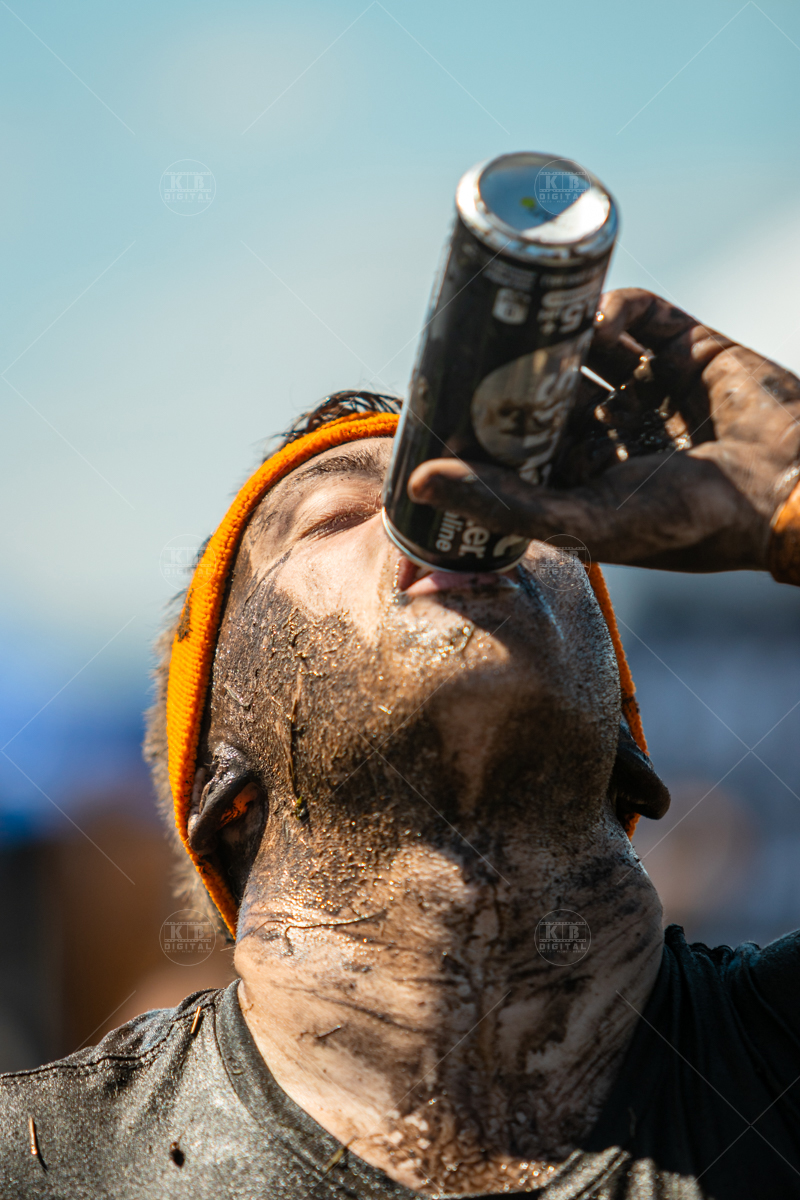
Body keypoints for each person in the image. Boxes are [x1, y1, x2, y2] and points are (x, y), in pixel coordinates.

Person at [1, 288, 800, 1199]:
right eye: (340, 514)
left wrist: (792, 494)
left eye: (523, 519)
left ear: (630, 751)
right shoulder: (51, 1165)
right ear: (224, 788)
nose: (452, 528)